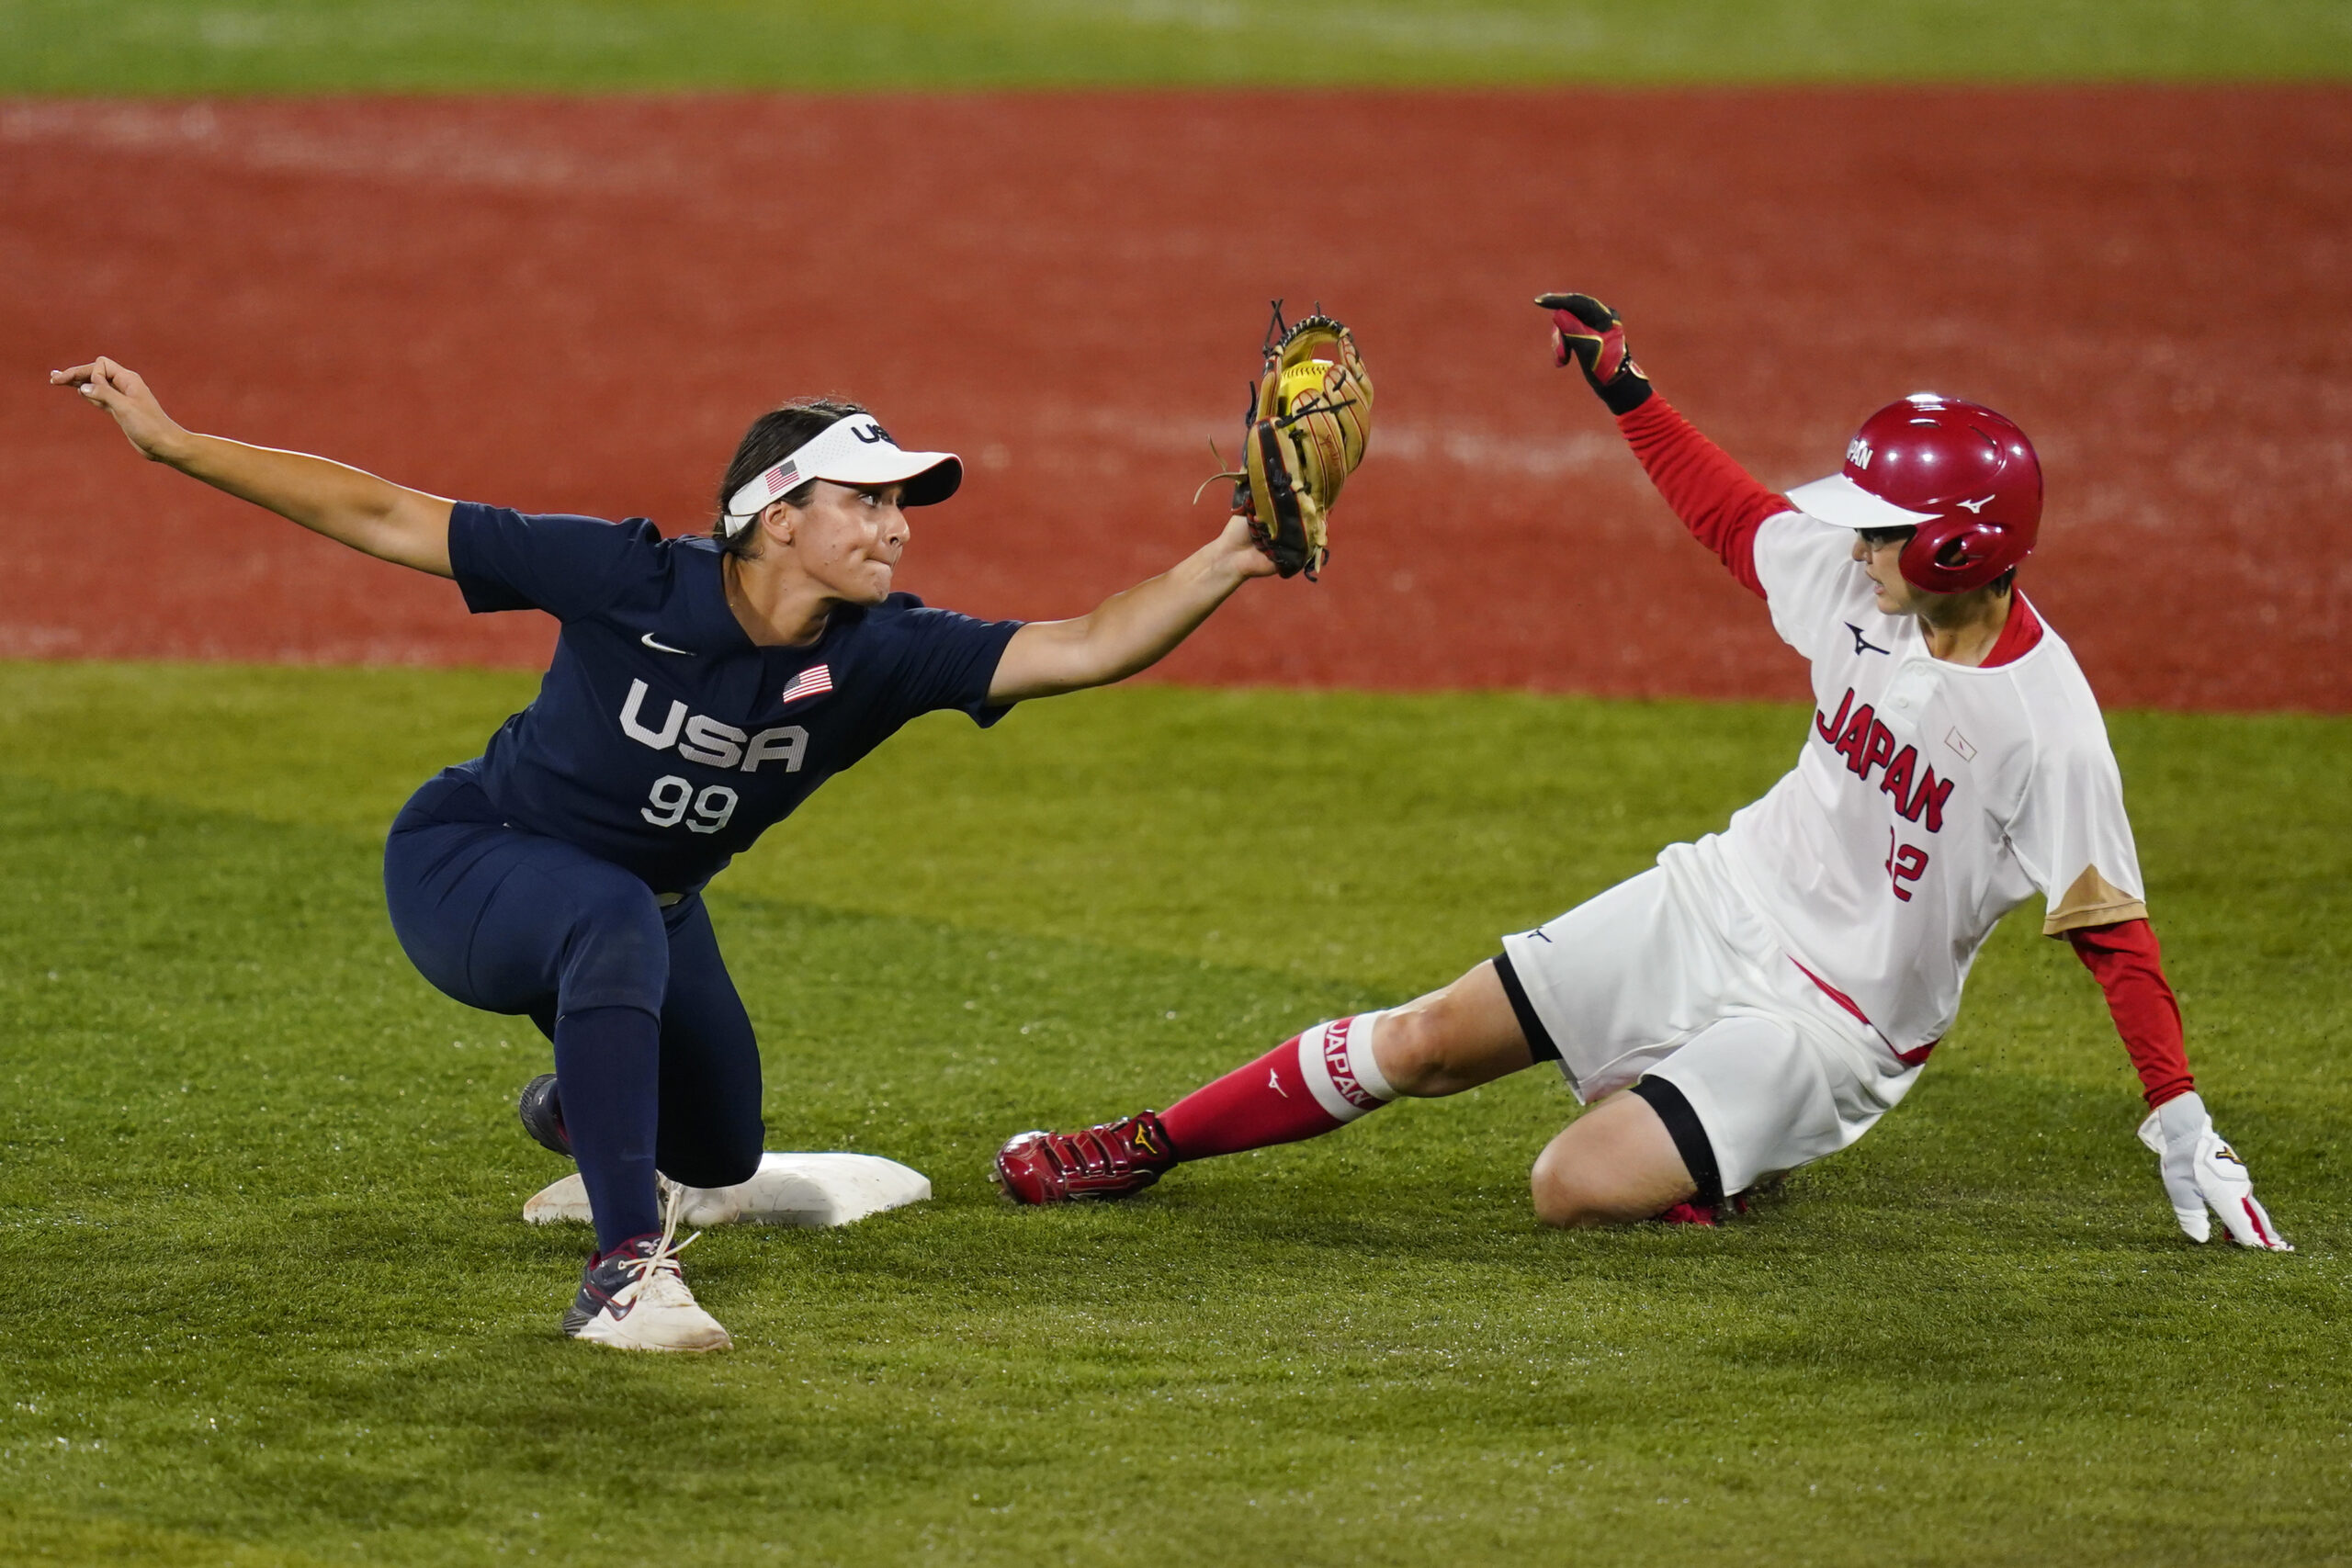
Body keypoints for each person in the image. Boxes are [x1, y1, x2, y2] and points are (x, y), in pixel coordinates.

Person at [991, 293, 2290, 1253]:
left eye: (1884, 527)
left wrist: (2179, 1119)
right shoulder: (1856, 587)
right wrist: (1629, 388)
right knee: (1431, 1040)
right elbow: (1736, 518)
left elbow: (2112, 933)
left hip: (1828, 1027)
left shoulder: (2046, 725)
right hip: (1718, 899)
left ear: (1958, 546)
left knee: (1569, 1185)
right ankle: (1146, 1144)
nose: (1855, 540)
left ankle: (1714, 1152)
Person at [54, 356, 1283, 1350]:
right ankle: (621, 1274)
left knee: (720, 1149)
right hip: (472, 863)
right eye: (868, 500)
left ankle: (582, 1116)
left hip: (647, 911)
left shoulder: (884, 652)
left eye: (900, 503)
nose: (895, 528)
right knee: (613, 918)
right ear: (776, 514)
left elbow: (1084, 646)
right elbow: (385, 513)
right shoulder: (628, 576)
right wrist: (176, 441)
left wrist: (1231, 556)